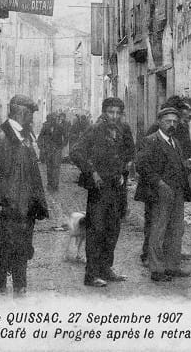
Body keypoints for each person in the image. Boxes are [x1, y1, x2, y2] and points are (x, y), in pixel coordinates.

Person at [0, 94, 49, 296]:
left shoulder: (25, 137)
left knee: (22, 251)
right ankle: (0, 293)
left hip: (24, 208)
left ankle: (20, 290)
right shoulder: (0, 138)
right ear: (21, 113)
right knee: (2, 253)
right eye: (30, 114)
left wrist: (36, 203)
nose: (32, 119)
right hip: (6, 209)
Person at [70, 97, 135, 287]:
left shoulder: (124, 129)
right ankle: (91, 274)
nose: (114, 116)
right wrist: (92, 172)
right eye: (110, 112)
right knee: (96, 229)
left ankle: (106, 269)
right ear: (104, 112)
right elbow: (76, 152)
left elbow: (131, 151)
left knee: (113, 229)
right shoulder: (95, 129)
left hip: (117, 187)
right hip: (99, 189)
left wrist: (126, 167)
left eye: (117, 112)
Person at [136, 107, 191, 282]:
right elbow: (142, 166)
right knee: (158, 230)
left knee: (176, 230)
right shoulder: (150, 141)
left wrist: (186, 166)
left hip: (177, 192)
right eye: (168, 121)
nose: (172, 124)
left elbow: (175, 166)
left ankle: (173, 266)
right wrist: (159, 183)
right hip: (159, 193)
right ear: (160, 122)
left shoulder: (175, 142)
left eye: (175, 121)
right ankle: (157, 269)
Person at [38, 112, 67, 190]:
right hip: (48, 150)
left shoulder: (60, 127)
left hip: (57, 150)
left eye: (55, 119)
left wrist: (62, 146)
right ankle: (50, 183)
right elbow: (40, 137)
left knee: (56, 167)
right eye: (52, 119)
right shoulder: (45, 127)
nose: (53, 121)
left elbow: (66, 136)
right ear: (49, 119)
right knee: (49, 167)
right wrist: (41, 147)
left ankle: (55, 184)